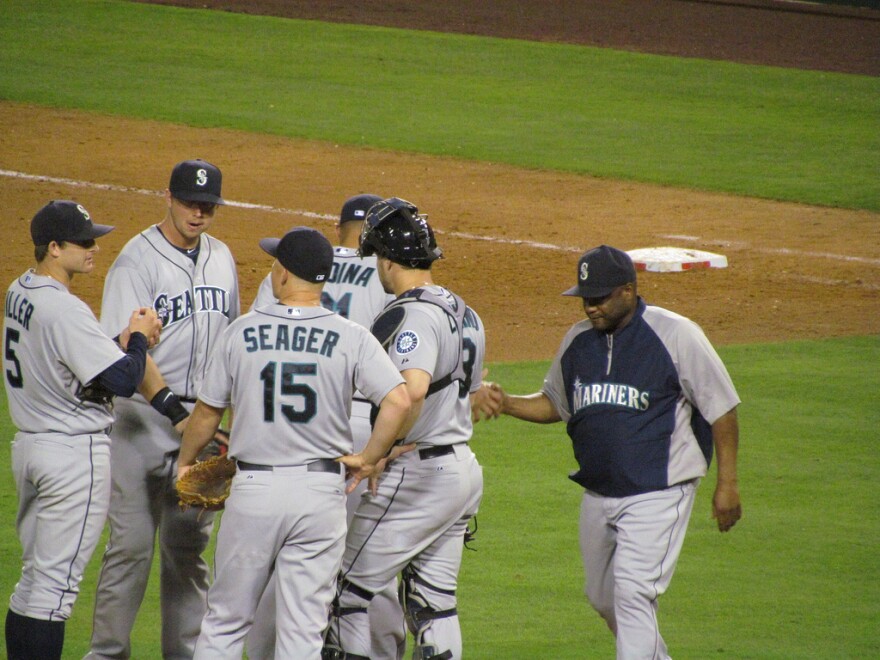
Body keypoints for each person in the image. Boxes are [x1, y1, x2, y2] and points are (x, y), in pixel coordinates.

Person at [480, 244, 742, 660]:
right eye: (585, 298)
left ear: (628, 290)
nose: (589, 307)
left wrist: (727, 483)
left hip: (659, 489)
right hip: (599, 493)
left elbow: (722, 409)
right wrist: (508, 402)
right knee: (604, 598)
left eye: (599, 297)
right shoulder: (578, 341)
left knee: (633, 593)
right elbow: (557, 404)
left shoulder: (675, 334)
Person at [176, 227, 411, 659]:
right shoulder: (352, 335)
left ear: (282, 274)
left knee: (226, 622)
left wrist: (186, 462)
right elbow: (399, 400)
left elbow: (207, 414)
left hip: (255, 492)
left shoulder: (241, 332)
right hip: (319, 494)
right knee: (304, 632)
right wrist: (368, 458)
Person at [86, 159, 241, 659]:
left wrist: (218, 421)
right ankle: (108, 653)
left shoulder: (222, 258)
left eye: (208, 206)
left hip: (200, 420)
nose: (199, 213)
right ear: (168, 198)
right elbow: (131, 347)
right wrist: (175, 411)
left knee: (187, 553)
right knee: (130, 548)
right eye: (190, 202)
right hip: (141, 418)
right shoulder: (136, 260)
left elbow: (230, 343)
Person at [324, 197, 486, 660]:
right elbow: (466, 390)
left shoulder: (410, 313)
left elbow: (411, 391)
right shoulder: (467, 312)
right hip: (461, 471)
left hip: (419, 473)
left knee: (344, 594)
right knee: (435, 605)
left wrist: (374, 453)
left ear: (387, 259)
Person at [246, 194, 406, 660]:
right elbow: (403, 380)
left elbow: (253, 355)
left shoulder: (292, 267)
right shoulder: (388, 273)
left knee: (283, 561)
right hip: (367, 424)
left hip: (290, 427)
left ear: (338, 230)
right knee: (367, 560)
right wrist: (380, 449)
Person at [3, 200, 162, 660]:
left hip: (31, 446)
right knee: (55, 592)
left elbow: (70, 358)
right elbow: (123, 380)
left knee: (33, 582)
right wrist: (136, 337)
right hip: (72, 459)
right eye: (83, 241)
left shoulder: (20, 289)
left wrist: (120, 345)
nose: (94, 248)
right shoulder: (66, 310)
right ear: (54, 248)